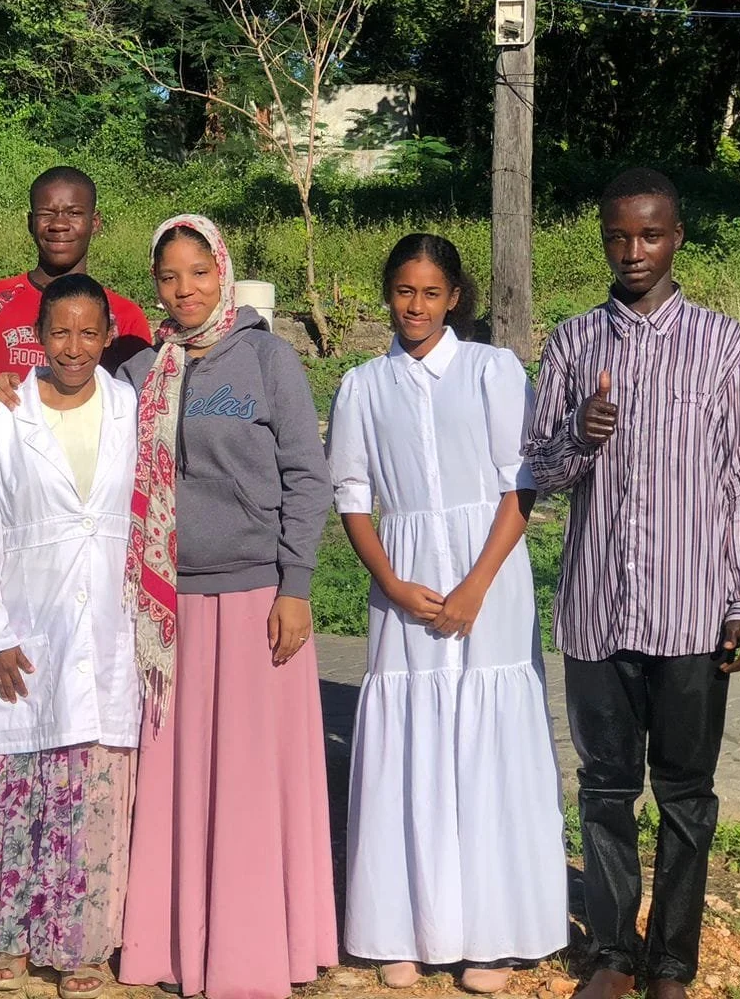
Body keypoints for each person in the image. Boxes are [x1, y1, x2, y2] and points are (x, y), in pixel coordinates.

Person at [526, 169, 740, 999]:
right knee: (603, 791)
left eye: (651, 234)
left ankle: (670, 960)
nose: (634, 252)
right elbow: (537, 470)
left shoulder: (720, 343)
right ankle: (610, 955)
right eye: (619, 237)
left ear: (677, 236)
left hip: (695, 610)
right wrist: (579, 436)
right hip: (598, 609)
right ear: (603, 238)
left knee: (687, 795)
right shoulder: (571, 344)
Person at [326, 234, 567, 993]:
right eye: (404, 291)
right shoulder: (362, 384)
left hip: (488, 579)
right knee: (412, 744)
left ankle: (489, 936)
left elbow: (518, 486)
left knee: (483, 740)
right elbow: (354, 497)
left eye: (432, 293)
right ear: (387, 294)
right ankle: (403, 925)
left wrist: (475, 585)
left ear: (455, 297)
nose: (416, 306)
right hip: (403, 586)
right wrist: (392, 583)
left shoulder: (495, 371)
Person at [115, 215, 337, 999]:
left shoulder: (268, 358)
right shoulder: (143, 369)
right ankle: (175, 945)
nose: (184, 290)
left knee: (248, 784)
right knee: (181, 783)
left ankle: (255, 950)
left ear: (225, 271)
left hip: (254, 600)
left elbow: (309, 479)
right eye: (168, 278)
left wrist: (297, 587)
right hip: (168, 608)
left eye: (198, 273)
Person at [0, 273, 141, 999]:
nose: (73, 346)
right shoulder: (3, 413)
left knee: (92, 788)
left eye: (88, 332)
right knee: (19, 782)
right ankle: (7, 939)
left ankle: (86, 946)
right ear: (38, 335)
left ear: (106, 336)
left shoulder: (130, 408)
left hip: (106, 629)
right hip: (25, 624)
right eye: (58, 332)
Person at [0, 166, 151, 391]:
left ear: (95, 222)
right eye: (46, 214)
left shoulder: (125, 316)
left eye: (74, 213)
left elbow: (138, 405)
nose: (59, 225)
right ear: (30, 222)